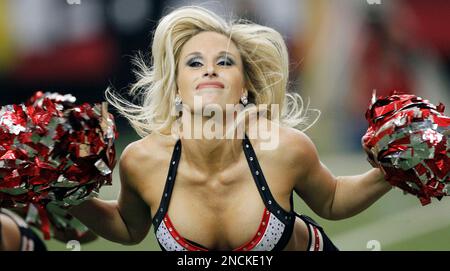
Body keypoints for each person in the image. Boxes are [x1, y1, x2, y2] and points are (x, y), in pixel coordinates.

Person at [67, 6, 392, 251]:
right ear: (177, 88)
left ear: (244, 88)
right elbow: (128, 227)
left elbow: (332, 200)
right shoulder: (142, 160)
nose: (209, 69)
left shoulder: (284, 148)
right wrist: (63, 192)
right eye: (194, 63)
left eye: (224, 62)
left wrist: (392, 170)